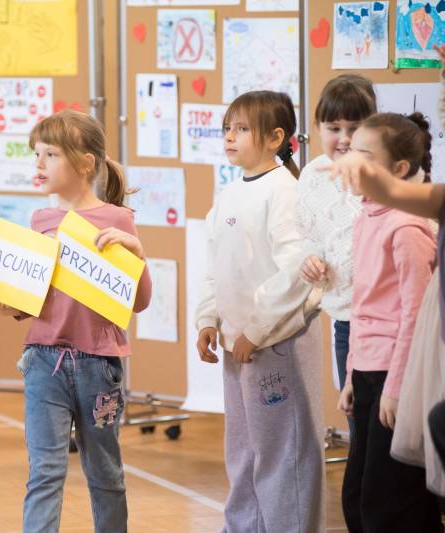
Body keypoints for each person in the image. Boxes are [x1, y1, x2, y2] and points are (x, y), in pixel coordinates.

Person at [0, 109, 152, 533]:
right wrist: (0, 305)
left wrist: (137, 254)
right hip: (42, 362)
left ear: (86, 163)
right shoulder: (40, 221)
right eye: (36, 154)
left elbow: (139, 301)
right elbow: (31, 301)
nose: (39, 163)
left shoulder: (117, 219)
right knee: (45, 472)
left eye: (50, 154)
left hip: (98, 365)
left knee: (105, 472)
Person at [195, 90, 325, 532]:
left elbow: (295, 273)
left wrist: (256, 330)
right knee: (245, 453)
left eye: (242, 129)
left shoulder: (285, 191)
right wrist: (207, 319)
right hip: (240, 346)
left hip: (276, 345)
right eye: (227, 128)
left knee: (284, 455)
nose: (230, 137)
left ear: (275, 138)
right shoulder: (231, 193)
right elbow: (216, 264)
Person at [335, 112, 440, 532]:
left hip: (396, 377)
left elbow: (415, 316)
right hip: (367, 372)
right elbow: (363, 307)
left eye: (364, 155)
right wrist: (350, 376)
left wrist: (395, 389)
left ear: (398, 170)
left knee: (392, 502)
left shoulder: (406, 227)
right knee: (357, 497)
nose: (350, 160)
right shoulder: (367, 215)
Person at [294, 75, 376, 420]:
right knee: (355, 415)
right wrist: (310, 260)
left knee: (387, 420)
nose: (344, 138)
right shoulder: (312, 176)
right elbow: (308, 237)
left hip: (385, 323)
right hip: (344, 319)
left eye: (355, 128)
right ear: (317, 127)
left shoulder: (385, 173)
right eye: (334, 128)